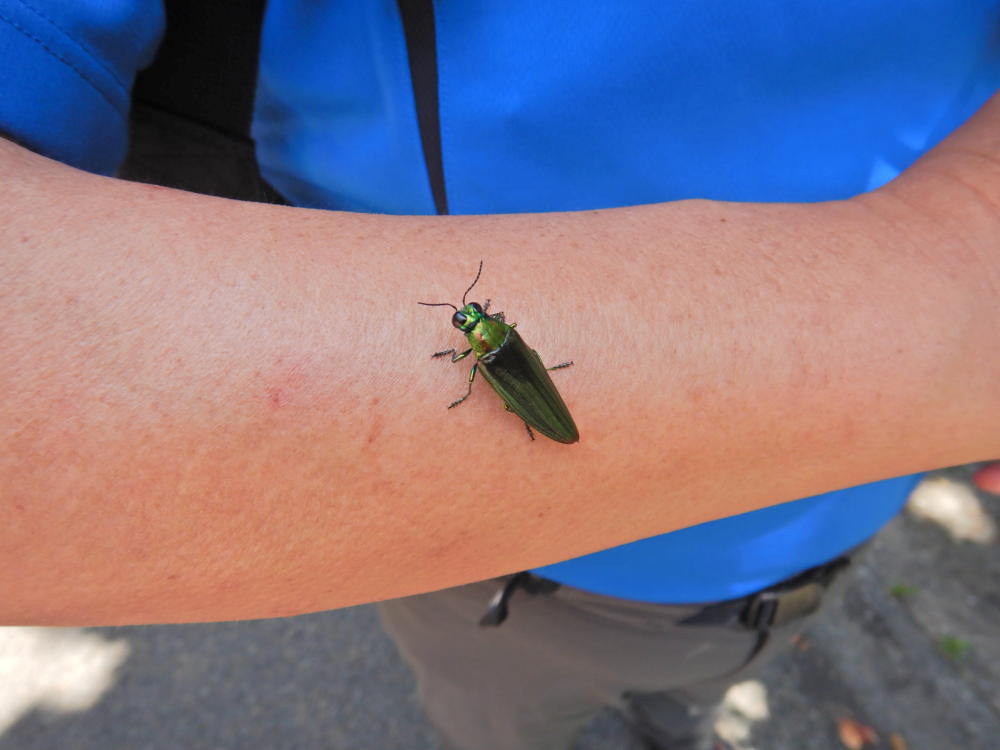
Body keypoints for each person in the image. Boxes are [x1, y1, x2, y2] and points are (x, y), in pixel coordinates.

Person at [1, 2, 998, 749]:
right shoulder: (487, 350)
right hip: (519, 574)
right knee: (516, 705)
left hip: (817, 531)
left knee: (649, 692)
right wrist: (940, 320)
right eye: (472, 318)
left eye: (472, 313)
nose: (471, 321)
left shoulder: (484, 345)